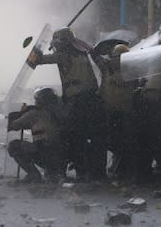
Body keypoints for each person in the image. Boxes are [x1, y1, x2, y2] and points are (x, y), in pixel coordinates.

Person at [35, 27, 106, 180]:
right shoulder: (84, 53)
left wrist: (35, 52)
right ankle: (98, 172)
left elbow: (39, 60)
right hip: (93, 99)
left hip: (78, 102)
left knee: (74, 136)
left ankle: (81, 170)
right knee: (95, 137)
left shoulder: (64, 56)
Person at [91, 43, 141, 181]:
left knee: (127, 141)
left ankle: (127, 170)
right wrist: (94, 50)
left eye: (119, 58)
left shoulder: (133, 72)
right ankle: (113, 167)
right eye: (114, 58)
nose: (116, 61)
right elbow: (96, 57)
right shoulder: (107, 70)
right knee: (110, 141)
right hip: (110, 112)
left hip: (126, 113)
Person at [7, 87, 65, 183]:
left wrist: (22, 113)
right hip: (61, 156)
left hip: (44, 153)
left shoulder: (35, 113)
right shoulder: (60, 114)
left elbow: (14, 125)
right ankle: (54, 173)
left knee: (14, 146)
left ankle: (33, 174)